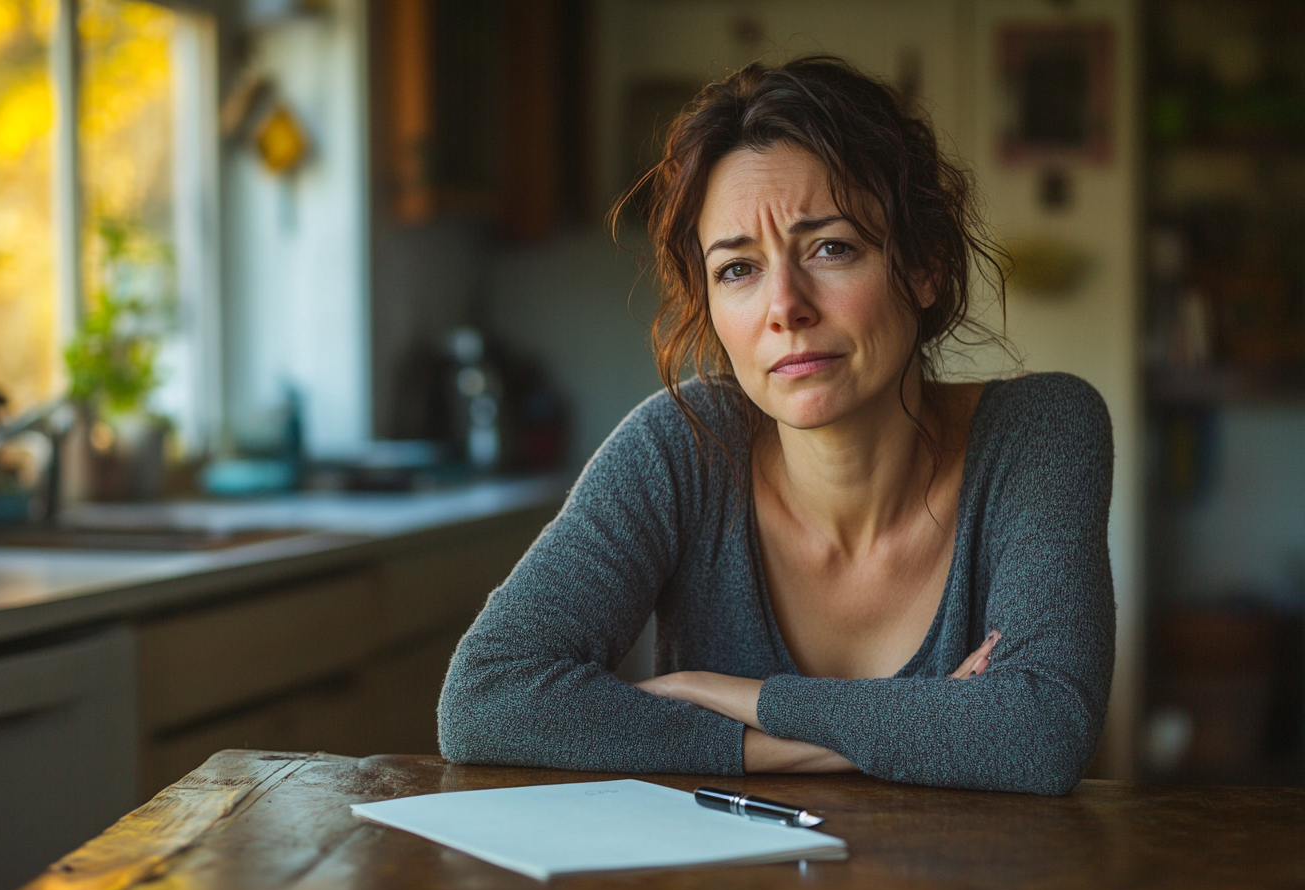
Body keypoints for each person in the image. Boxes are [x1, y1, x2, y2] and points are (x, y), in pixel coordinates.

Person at [438, 56, 1114, 795]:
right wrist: (811, 746)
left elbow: (1041, 734)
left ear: (923, 265)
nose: (784, 306)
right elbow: (483, 700)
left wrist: (740, 697)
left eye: (832, 248)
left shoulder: (1041, 431)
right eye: (737, 269)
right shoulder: (679, 448)